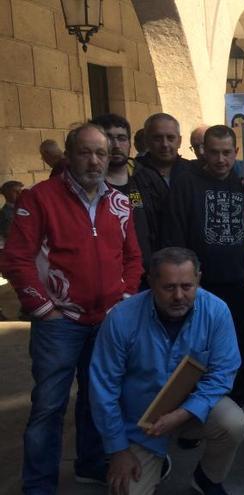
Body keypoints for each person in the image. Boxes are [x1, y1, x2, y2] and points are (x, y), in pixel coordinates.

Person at [5, 124, 143, 492]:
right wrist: (44, 308)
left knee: (97, 398)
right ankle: (38, 484)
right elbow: (16, 259)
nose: (95, 160)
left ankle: (90, 463)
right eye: (85, 152)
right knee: (49, 407)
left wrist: (125, 302)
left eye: (101, 153)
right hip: (59, 322)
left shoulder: (119, 201)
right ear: (69, 155)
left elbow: (132, 258)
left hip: (107, 321)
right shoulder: (39, 198)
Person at [89, 247, 244, 495]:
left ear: (198, 279)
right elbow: (103, 389)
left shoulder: (216, 311)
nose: (179, 296)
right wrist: (117, 450)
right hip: (140, 426)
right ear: (151, 282)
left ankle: (207, 478)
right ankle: (156, 462)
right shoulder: (121, 318)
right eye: (169, 287)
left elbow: (223, 372)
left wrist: (183, 413)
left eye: (187, 286)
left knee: (233, 422)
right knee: (125, 491)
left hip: (193, 412)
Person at [161, 125, 244, 405]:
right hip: (201, 286)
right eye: (213, 152)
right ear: (203, 151)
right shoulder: (186, 183)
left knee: (241, 344)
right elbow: (175, 234)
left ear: (236, 152)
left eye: (227, 153)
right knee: (197, 349)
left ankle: (239, 403)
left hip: (243, 284)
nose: (220, 160)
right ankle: (193, 411)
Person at [90, 113, 167, 279]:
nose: (116, 145)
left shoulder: (148, 178)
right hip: (104, 278)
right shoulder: (87, 185)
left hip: (147, 276)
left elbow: (166, 226)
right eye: (109, 138)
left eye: (122, 138)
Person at [136, 113, 191, 185]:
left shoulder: (194, 172)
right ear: (146, 141)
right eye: (157, 138)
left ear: (179, 141)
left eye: (170, 138)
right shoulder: (133, 172)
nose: (165, 144)